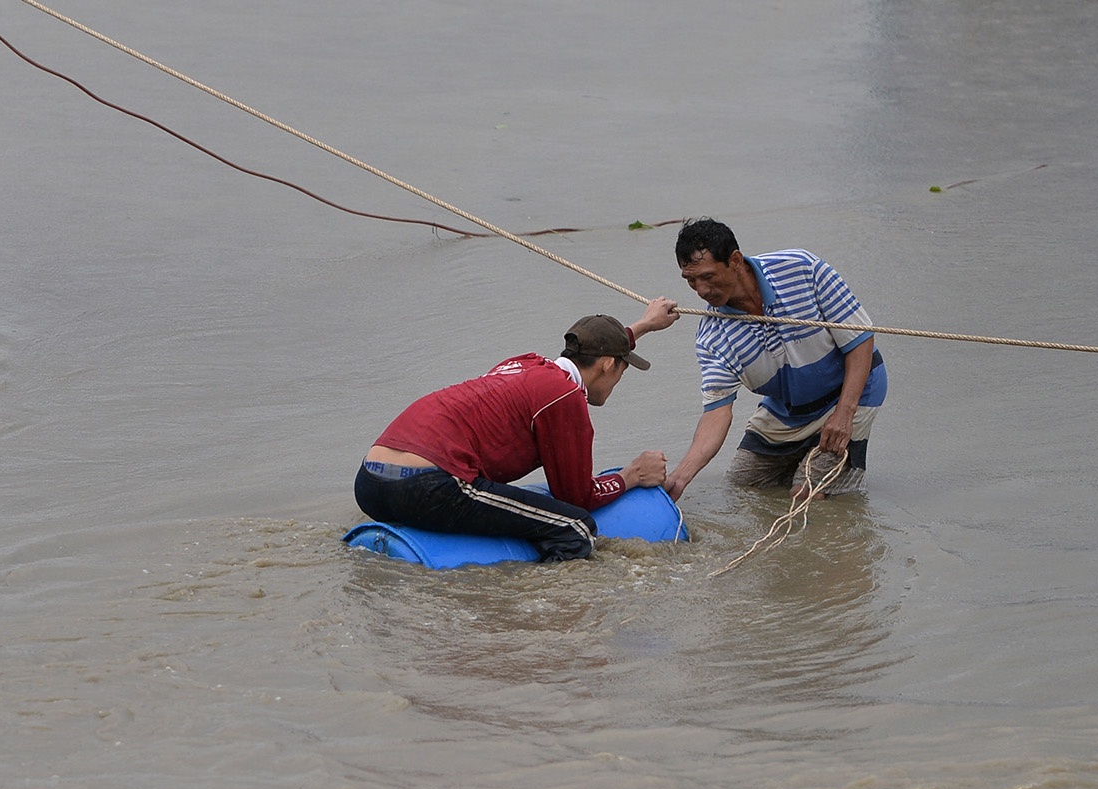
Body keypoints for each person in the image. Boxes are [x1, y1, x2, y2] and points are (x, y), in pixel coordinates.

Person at [356, 302, 677, 562]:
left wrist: (644, 325)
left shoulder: (525, 364)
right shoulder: (564, 397)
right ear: (608, 364)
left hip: (371, 483)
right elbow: (577, 498)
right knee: (575, 527)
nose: (620, 378)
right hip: (427, 485)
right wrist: (632, 474)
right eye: (623, 368)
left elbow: (600, 346)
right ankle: (525, 608)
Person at [665, 218, 886, 502]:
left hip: (852, 393)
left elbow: (860, 340)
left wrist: (844, 414)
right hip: (788, 411)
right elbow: (717, 412)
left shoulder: (802, 268)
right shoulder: (712, 335)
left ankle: (832, 473)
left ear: (735, 260)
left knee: (804, 495)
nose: (701, 290)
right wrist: (680, 477)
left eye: (707, 276)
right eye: (691, 280)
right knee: (740, 489)